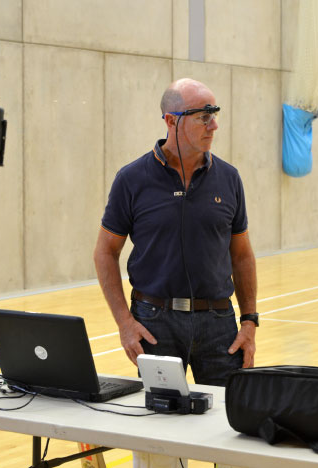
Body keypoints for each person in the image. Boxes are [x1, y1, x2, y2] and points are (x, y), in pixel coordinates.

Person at [94, 77, 257, 382]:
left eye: (215, 116)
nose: (214, 126)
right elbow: (105, 252)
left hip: (219, 324)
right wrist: (124, 323)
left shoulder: (230, 178)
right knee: (161, 422)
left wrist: (249, 321)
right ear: (171, 121)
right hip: (155, 324)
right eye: (203, 117)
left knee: (228, 421)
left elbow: (243, 256)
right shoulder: (131, 179)